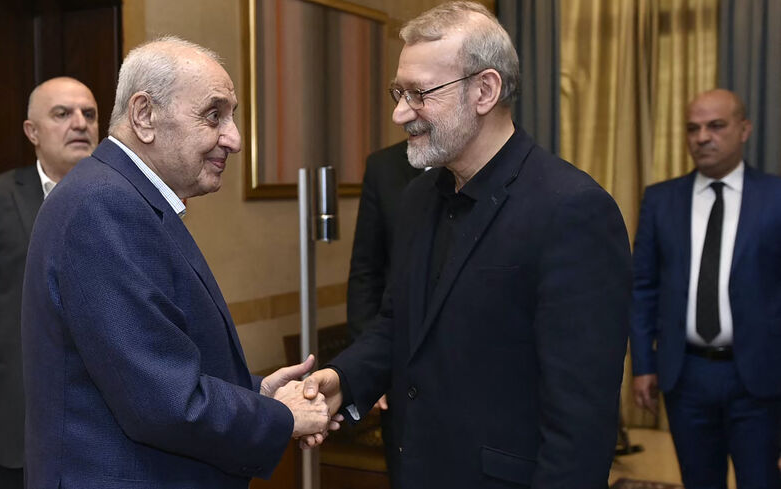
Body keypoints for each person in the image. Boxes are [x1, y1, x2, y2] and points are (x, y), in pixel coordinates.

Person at [301, 2, 632, 488]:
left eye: (419, 93)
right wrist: (343, 380)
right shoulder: (417, 198)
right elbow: (398, 325)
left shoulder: (572, 210)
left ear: (485, 90)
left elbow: (580, 426)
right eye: (398, 92)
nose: (399, 113)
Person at [21, 37, 333, 488]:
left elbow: (155, 361)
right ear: (144, 115)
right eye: (213, 115)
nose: (234, 139)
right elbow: (165, 403)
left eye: (232, 116)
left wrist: (257, 393)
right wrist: (281, 415)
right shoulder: (105, 206)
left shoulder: (122, 195)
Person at [630, 89, 781, 488]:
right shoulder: (661, 200)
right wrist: (644, 364)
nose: (702, 137)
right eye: (692, 128)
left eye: (715, 126)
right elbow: (642, 288)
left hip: (760, 375)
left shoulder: (775, 198)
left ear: (744, 129)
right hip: (687, 375)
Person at [0, 76, 99, 489]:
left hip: (102, 424)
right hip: (17, 419)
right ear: (32, 131)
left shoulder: (118, 197)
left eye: (89, 114)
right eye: (62, 113)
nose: (80, 123)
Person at [346, 140, 420, 481]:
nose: (400, 115)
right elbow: (367, 271)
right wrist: (369, 371)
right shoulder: (384, 167)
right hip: (400, 369)